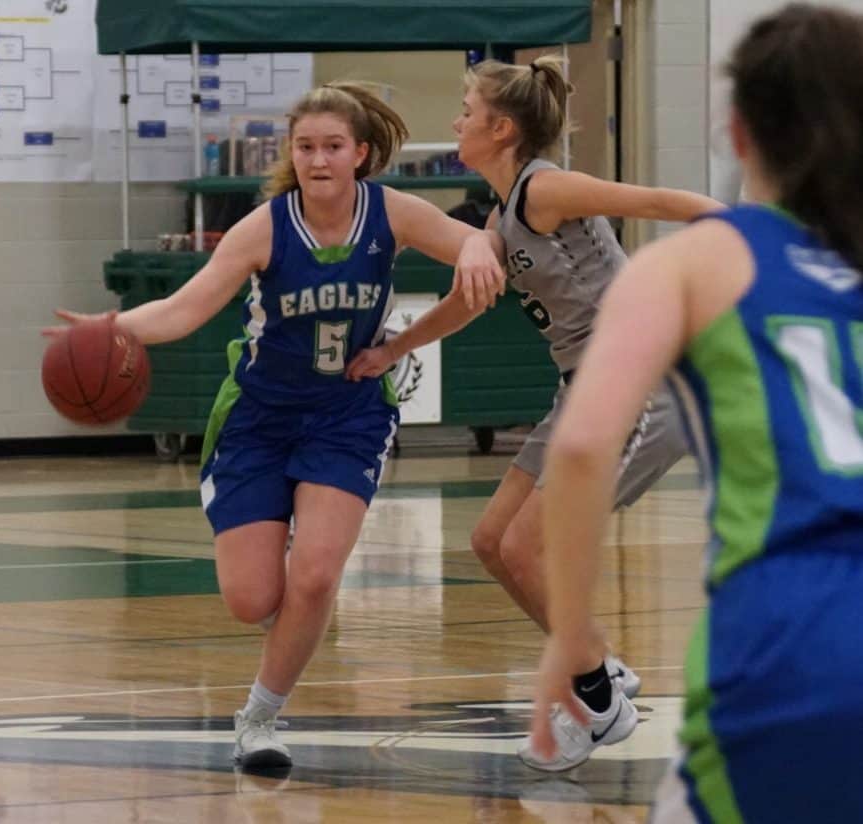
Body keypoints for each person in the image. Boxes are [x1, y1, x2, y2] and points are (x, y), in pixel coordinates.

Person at [44, 82, 505, 769]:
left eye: (332, 147)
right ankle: (290, 599)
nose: (318, 159)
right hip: (258, 419)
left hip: (346, 414)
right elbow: (186, 308)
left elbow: (477, 241)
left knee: (316, 577)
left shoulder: (392, 213)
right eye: (306, 147)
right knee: (253, 597)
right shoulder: (263, 227)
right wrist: (115, 328)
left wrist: (473, 248)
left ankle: (260, 716)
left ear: (361, 153)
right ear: (293, 155)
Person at [531, 4, 863, 821]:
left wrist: (571, 637)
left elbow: (580, 449)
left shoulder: (698, 261)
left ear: (736, 129)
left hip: (791, 633)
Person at [347, 56, 722, 770]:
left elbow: (662, 202)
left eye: (465, 108)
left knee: (528, 548)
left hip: (637, 382)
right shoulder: (501, 211)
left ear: (500, 127)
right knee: (492, 542)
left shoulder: (546, 188)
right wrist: (394, 349)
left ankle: (595, 701)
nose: (455, 120)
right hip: (578, 389)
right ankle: (600, 667)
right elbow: (463, 304)